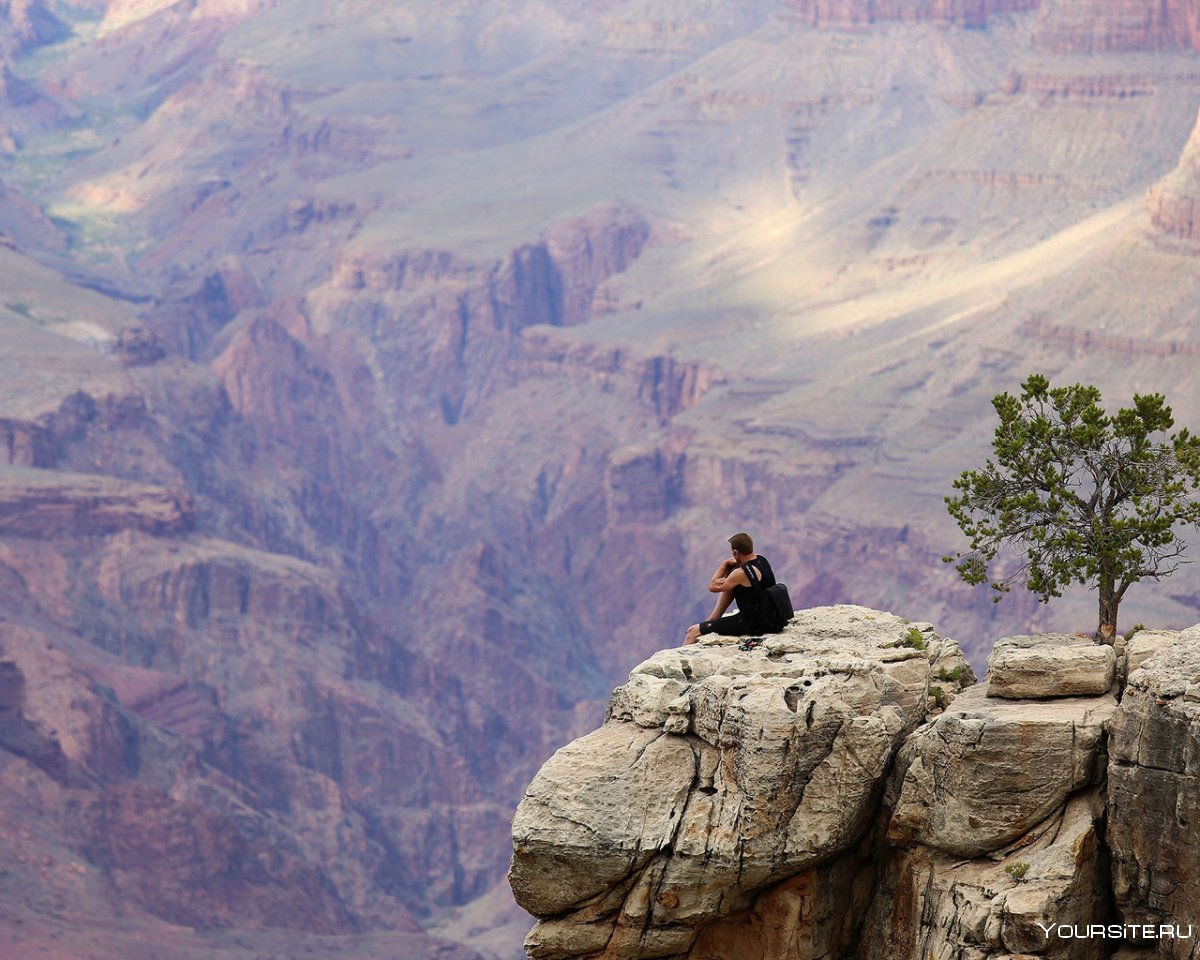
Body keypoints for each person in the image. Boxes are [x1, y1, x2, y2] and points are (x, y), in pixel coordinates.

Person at [684, 532, 777, 644]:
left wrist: (724, 564)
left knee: (692, 631)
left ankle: (682, 659)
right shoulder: (762, 560)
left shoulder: (741, 573)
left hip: (750, 623)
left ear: (735, 552)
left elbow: (713, 586)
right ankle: (713, 619)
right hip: (769, 617)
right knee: (733, 586)